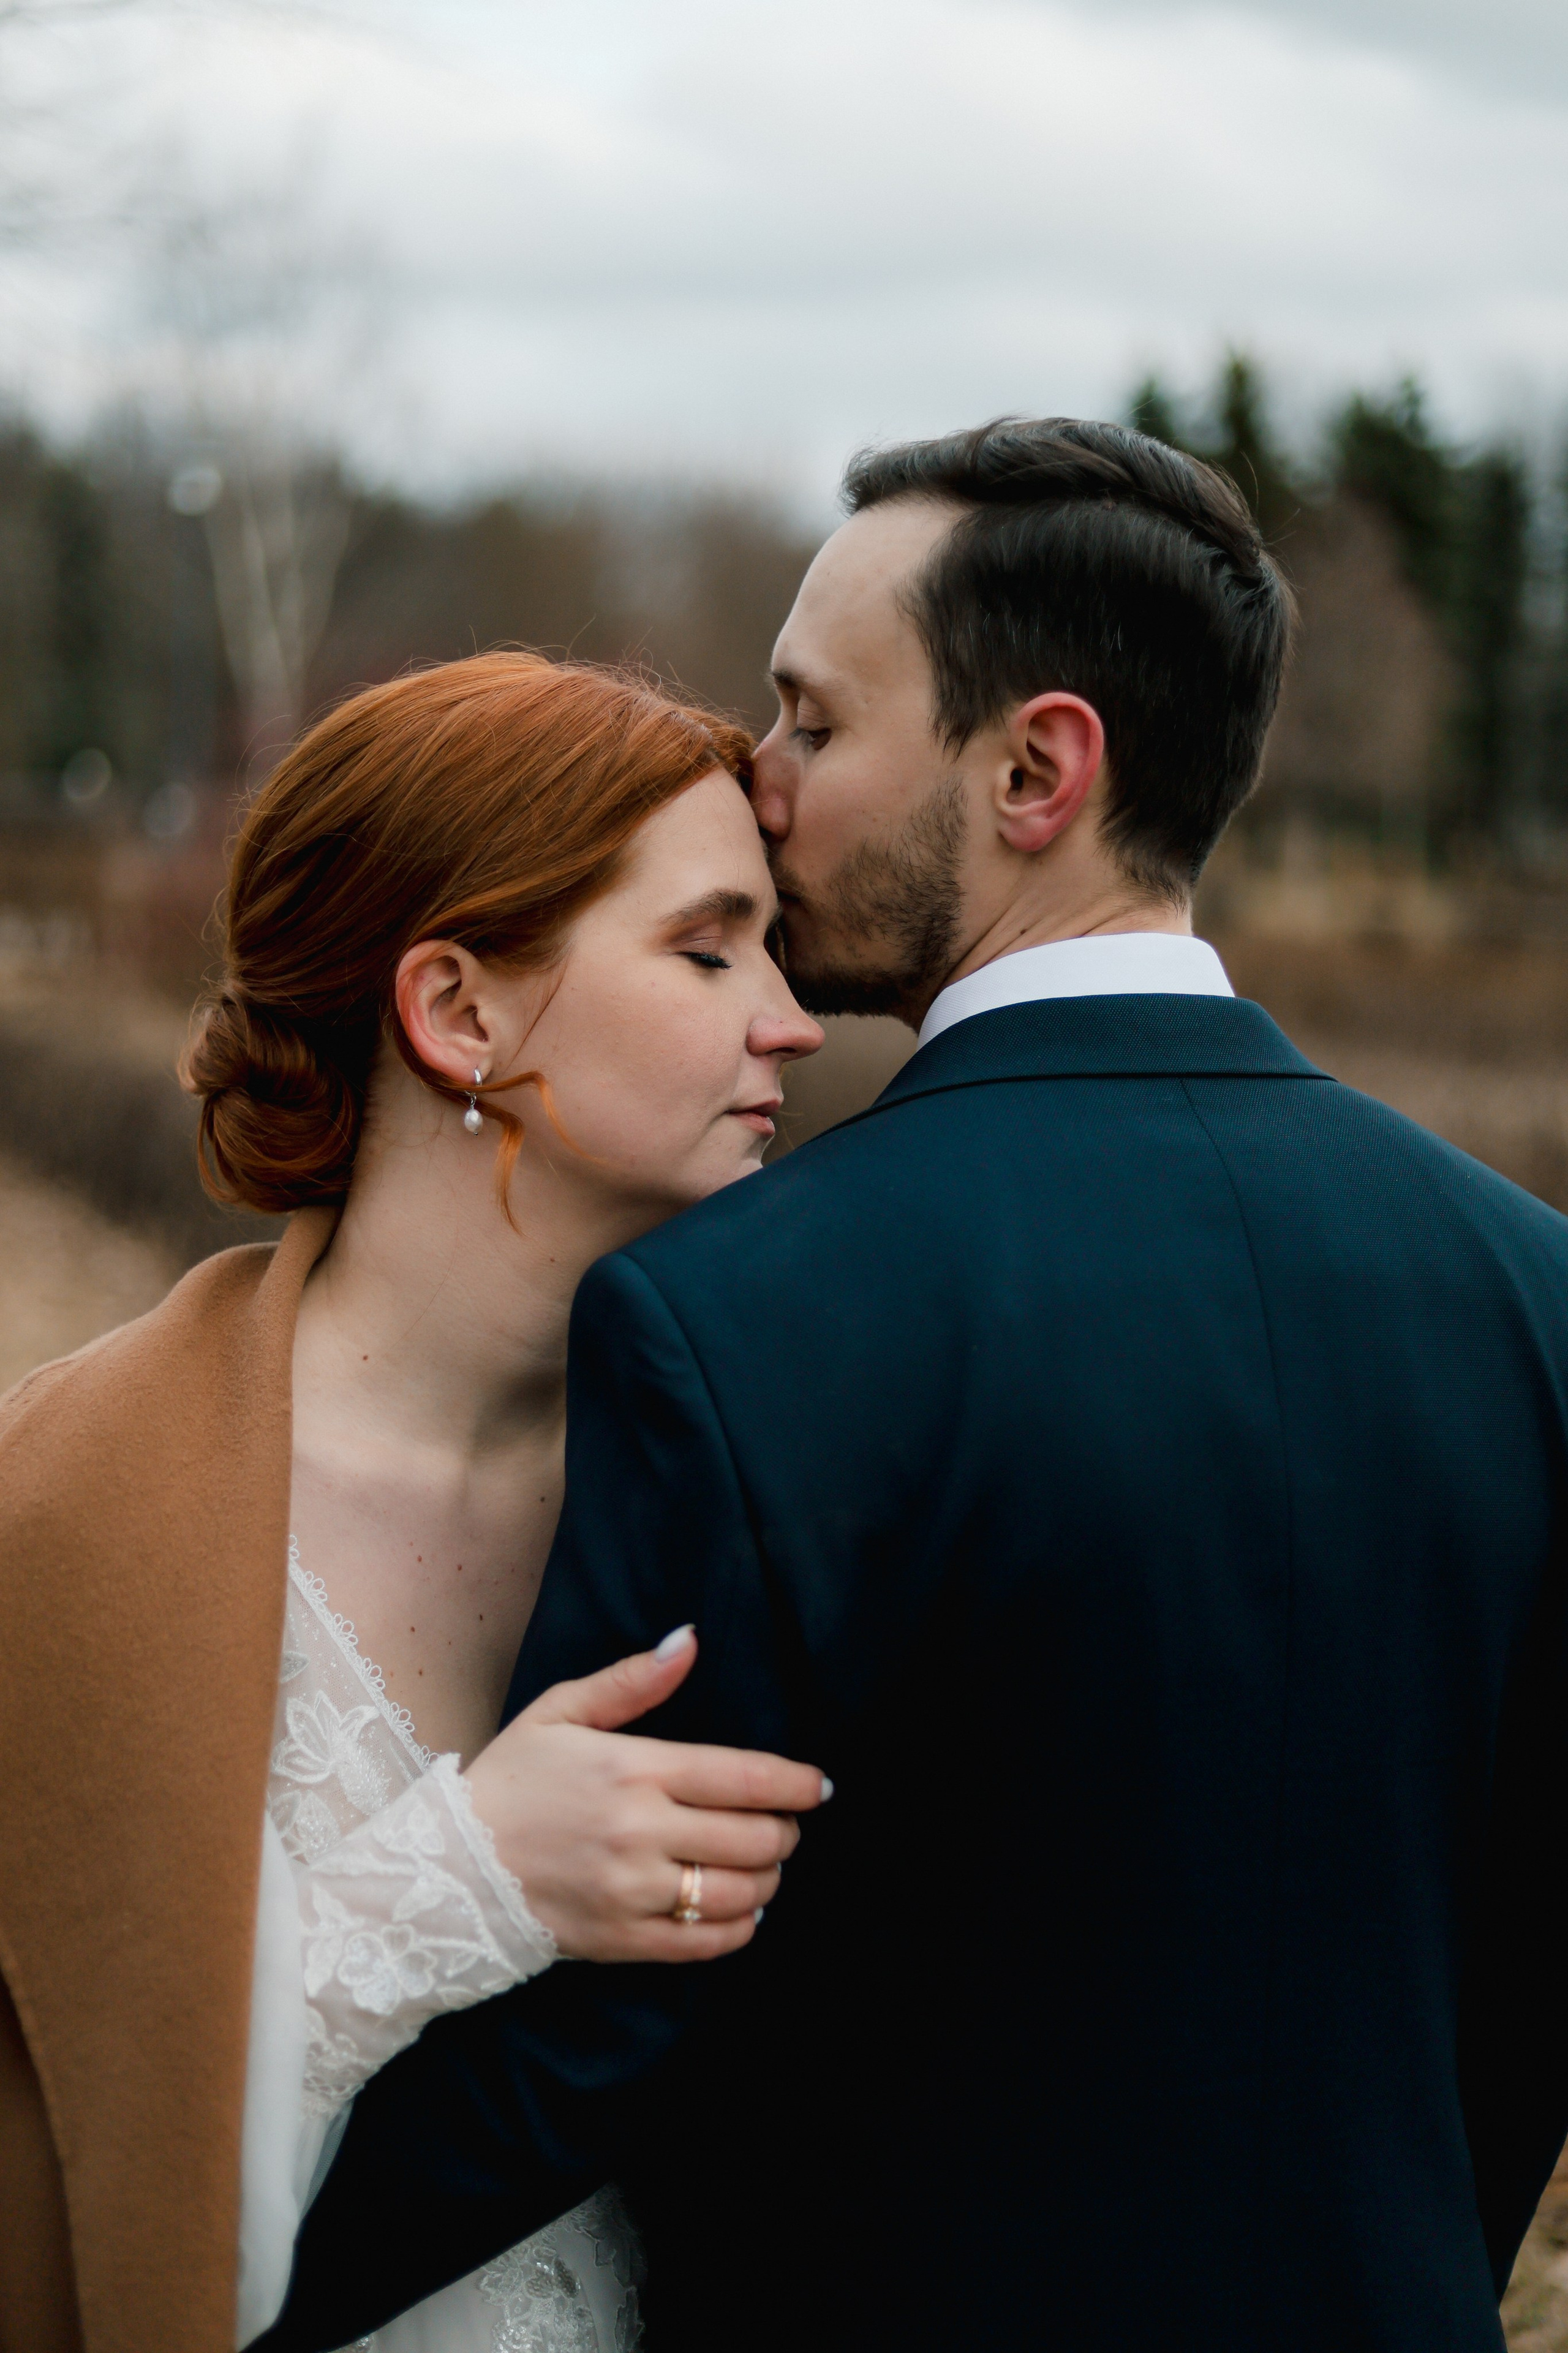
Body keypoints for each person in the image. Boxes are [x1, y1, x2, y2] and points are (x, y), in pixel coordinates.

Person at [265, 419, 1568, 2353]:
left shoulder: (740, 1314)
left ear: (1036, 767)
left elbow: (608, 2033)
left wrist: (172, 2271)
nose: (760, 785)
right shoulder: (1533, 1286)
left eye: (809, 722)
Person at [0, 652, 831, 2353]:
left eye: (775, 944)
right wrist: (462, 1878)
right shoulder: (59, 1520)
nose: (792, 1017)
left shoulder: (768, 1484)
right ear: (456, 1010)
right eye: (706, 945)